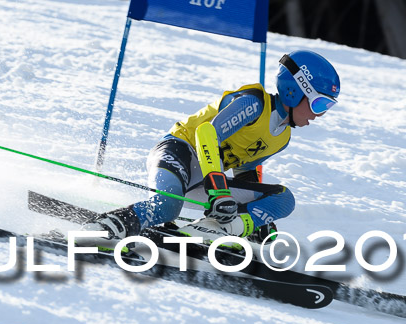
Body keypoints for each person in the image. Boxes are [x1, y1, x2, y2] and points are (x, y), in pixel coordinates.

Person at [82, 50, 341, 243]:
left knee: (283, 199)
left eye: (327, 108)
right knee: (167, 206)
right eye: (319, 104)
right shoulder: (254, 104)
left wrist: (258, 218)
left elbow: (246, 172)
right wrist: (219, 192)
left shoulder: (282, 138)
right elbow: (207, 135)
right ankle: (105, 228)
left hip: (205, 180)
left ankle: (216, 229)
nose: (319, 115)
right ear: (296, 91)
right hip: (177, 152)